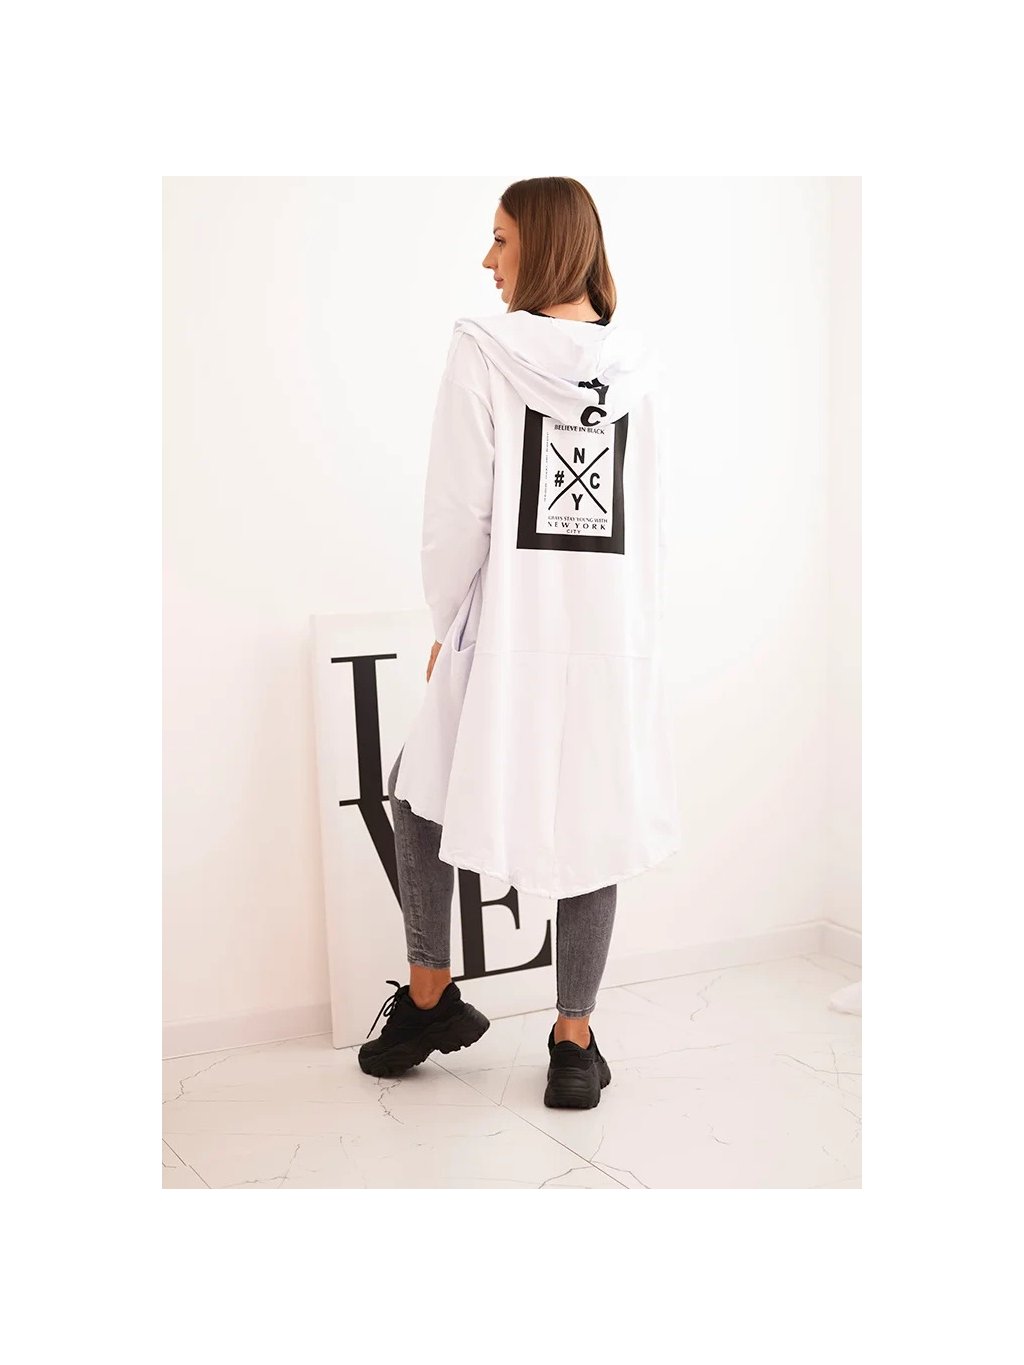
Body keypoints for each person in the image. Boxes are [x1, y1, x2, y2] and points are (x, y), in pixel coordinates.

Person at [359, 177, 680, 1110]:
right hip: (609, 631)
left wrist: (447, 619)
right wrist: (636, 633)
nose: (487, 260)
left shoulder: (483, 350)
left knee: (418, 791)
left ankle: (430, 994)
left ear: (542, 245)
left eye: (500, 239)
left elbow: (456, 509)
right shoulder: (639, 366)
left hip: (505, 627)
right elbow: (652, 517)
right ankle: (573, 1042)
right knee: (594, 821)